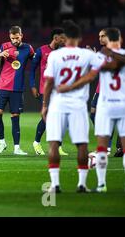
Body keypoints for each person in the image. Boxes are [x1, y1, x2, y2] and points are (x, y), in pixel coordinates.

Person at [41, 21, 115, 193]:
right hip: (78, 105)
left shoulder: (54, 56)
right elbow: (103, 68)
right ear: (80, 38)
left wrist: (45, 105)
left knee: (54, 144)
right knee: (82, 145)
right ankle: (81, 184)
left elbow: (49, 81)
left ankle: (55, 184)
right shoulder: (87, 55)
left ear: (65, 38)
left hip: (58, 104)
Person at [57, 27, 125, 193]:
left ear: (108, 39)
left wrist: (71, 86)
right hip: (122, 104)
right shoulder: (118, 54)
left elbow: (90, 76)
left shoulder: (101, 56)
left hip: (105, 105)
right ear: (120, 39)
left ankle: (101, 184)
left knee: (101, 148)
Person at [0, 26, 34, 155]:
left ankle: (17, 148)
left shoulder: (28, 48)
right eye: (12, 38)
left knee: (15, 116)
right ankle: (2, 143)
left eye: (17, 38)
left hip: (17, 88)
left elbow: (36, 62)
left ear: (21, 35)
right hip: (2, 86)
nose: (15, 40)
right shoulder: (4, 46)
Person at [29, 27, 68, 156]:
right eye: (62, 38)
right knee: (50, 116)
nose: (64, 40)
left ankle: (58, 146)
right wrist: (32, 86)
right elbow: (32, 69)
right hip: (44, 89)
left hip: (59, 90)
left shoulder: (63, 52)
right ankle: (37, 142)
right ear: (55, 38)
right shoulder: (41, 51)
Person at [89, 29, 123, 157]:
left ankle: (109, 146)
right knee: (93, 114)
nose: (100, 38)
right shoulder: (106, 54)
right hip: (101, 90)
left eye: (102, 36)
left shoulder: (108, 55)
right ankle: (108, 144)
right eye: (99, 36)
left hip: (112, 94)